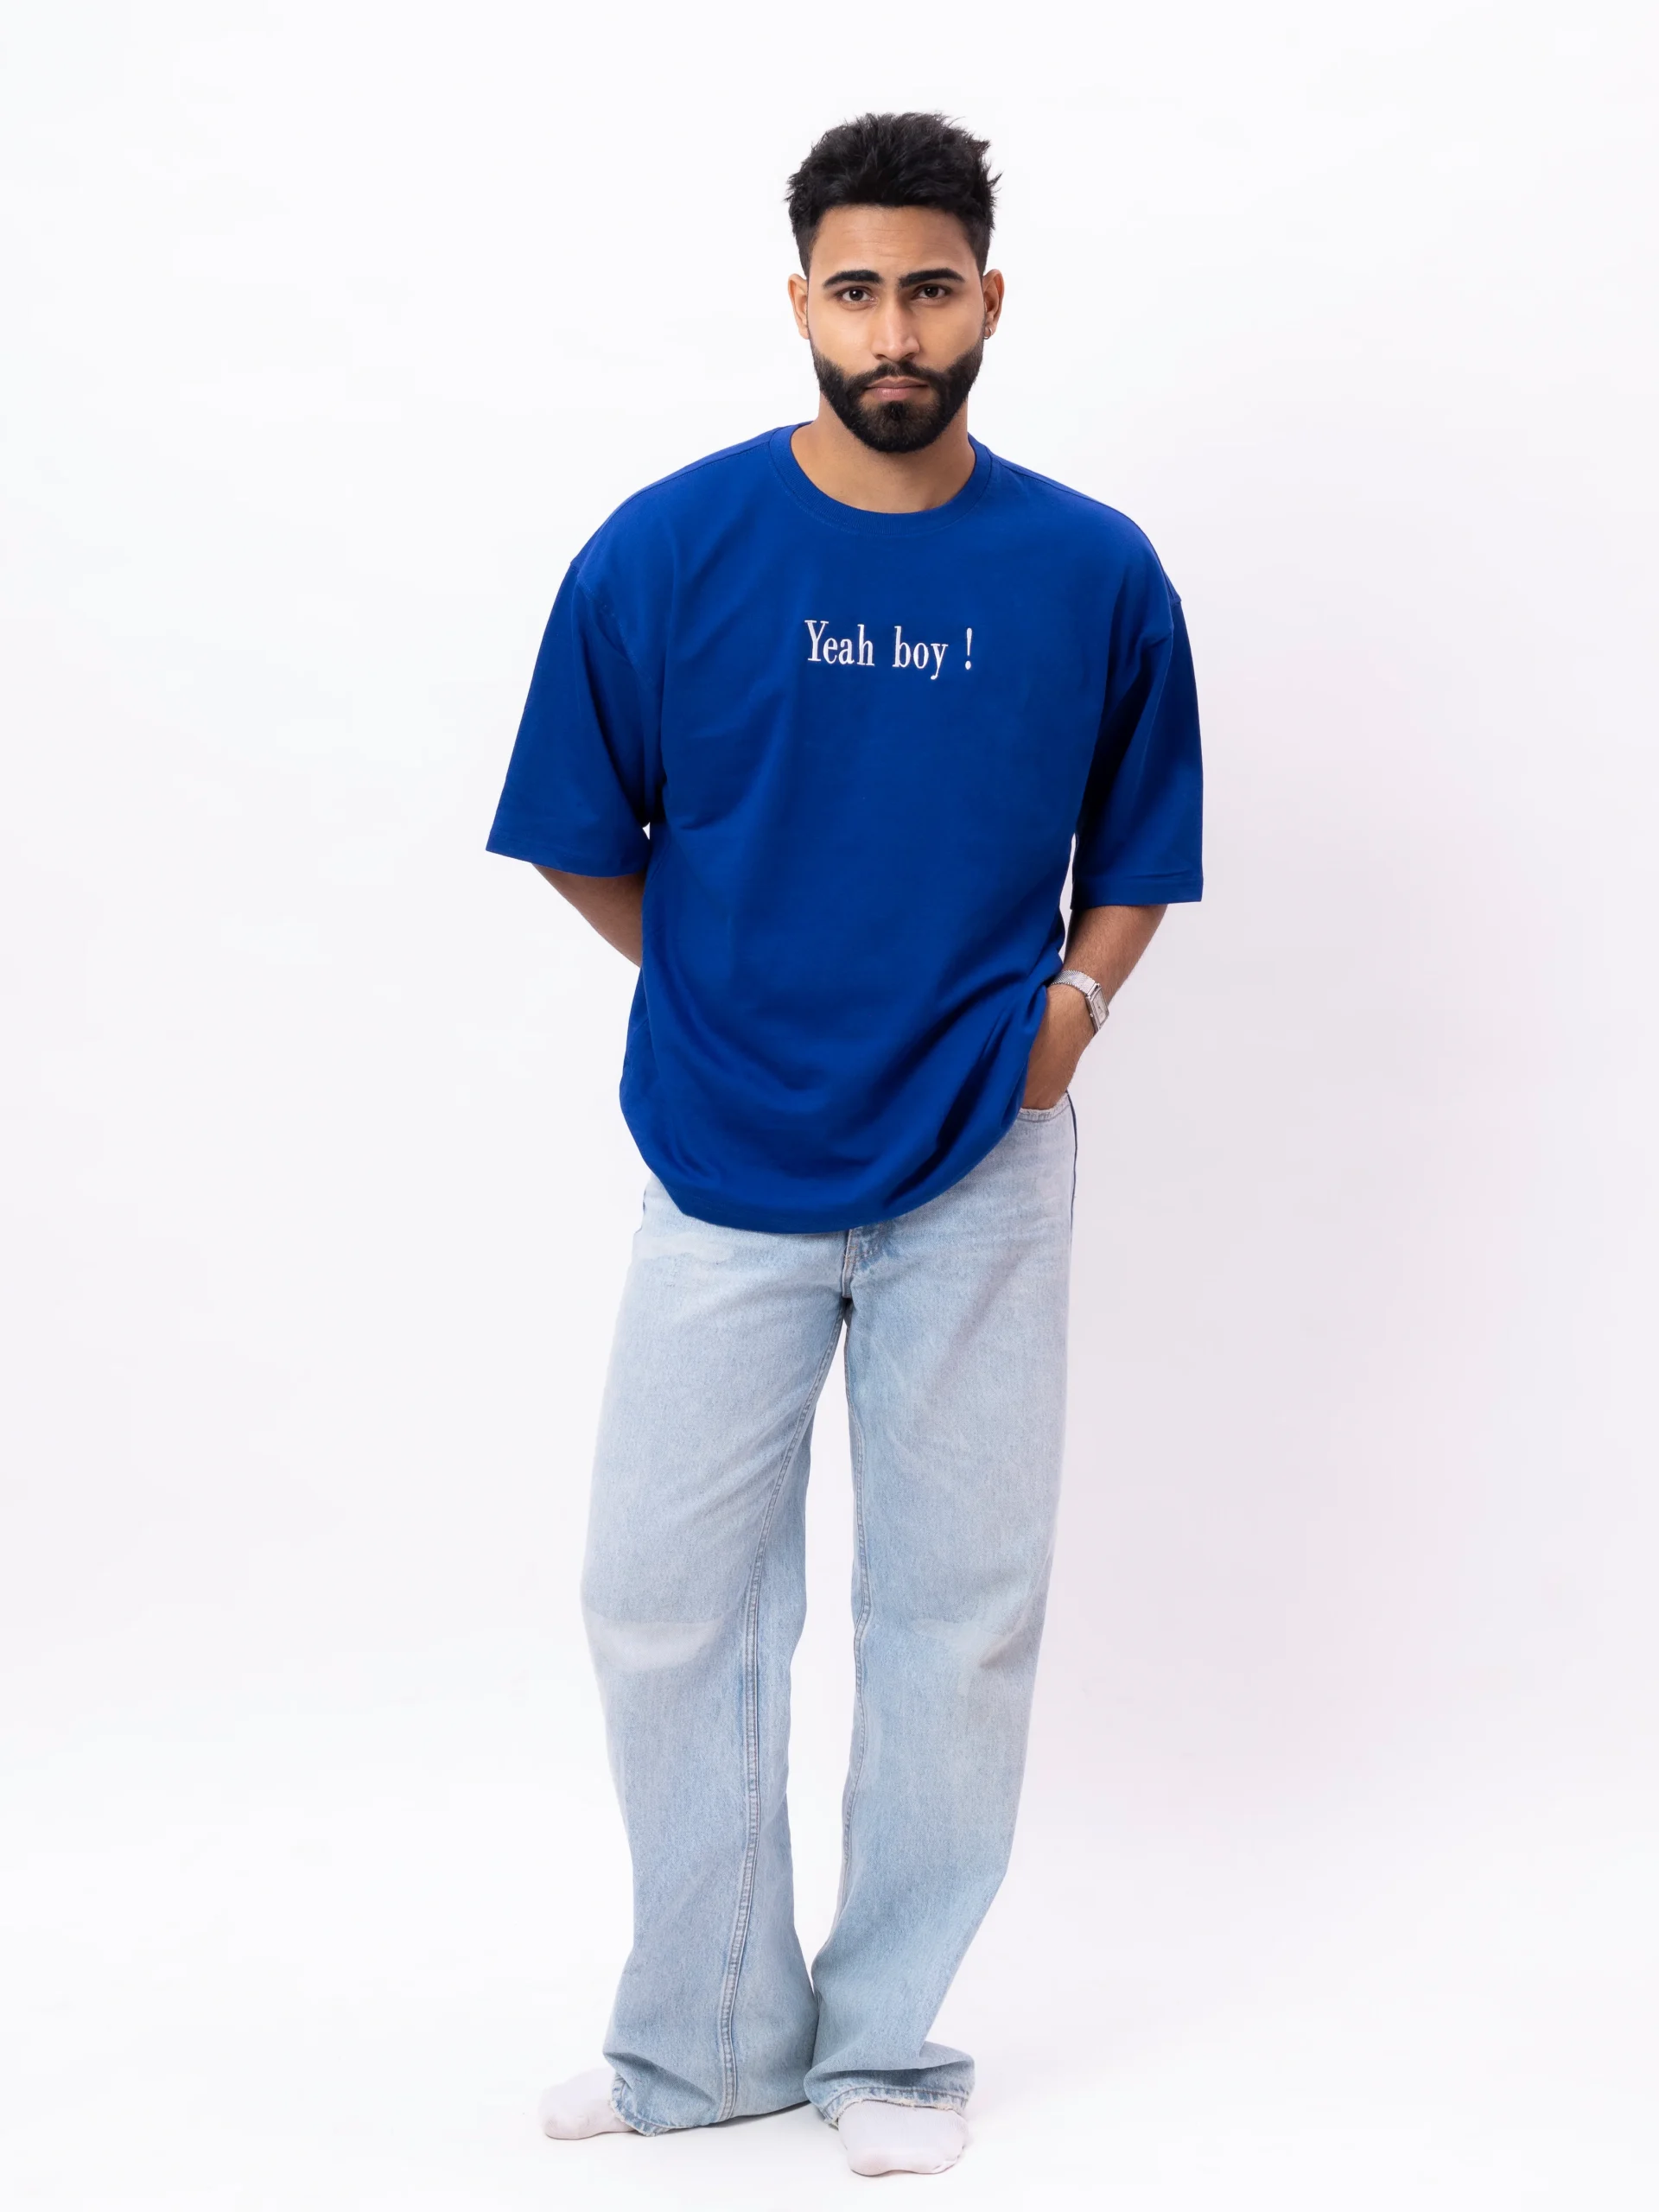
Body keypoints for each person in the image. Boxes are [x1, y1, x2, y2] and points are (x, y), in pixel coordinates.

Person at [486, 110, 1203, 2179]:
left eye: (933, 288)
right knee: (661, 1597)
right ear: (801, 298)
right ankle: (706, 2035)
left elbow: (1140, 843)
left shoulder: (1090, 567)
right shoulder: (668, 550)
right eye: (860, 288)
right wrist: (726, 979)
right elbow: (580, 829)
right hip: (725, 1154)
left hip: (984, 1157)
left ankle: (889, 2041)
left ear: (991, 300)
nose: (897, 330)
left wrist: (1070, 1017)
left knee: (953, 1611)